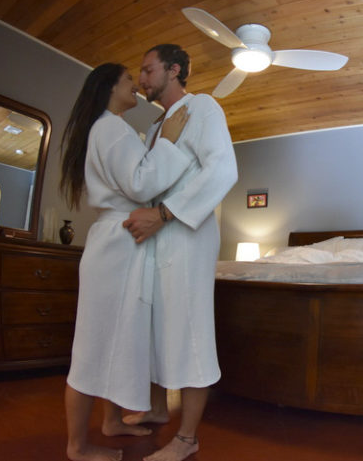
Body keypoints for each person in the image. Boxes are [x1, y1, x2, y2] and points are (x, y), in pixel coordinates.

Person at [60, 62, 192, 461]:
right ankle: (77, 446)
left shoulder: (110, 128)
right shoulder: (111, 129)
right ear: (109, 87)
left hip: (118, 242)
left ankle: (111, 421)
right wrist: (168, 142)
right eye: (128, 80)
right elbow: (140, 184)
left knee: (113, 337)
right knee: (93, 346)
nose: (134, 85)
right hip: (116, 246)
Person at [122, 44, 238, 461]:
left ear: (174, 70)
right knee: (155, 323)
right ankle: (157, 408)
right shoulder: (156, 126)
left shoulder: (202, 107)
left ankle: (187, 439)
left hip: (186, 237)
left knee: (190, 331)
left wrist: (164, 214)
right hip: (156, 239)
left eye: (148, 69)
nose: (142, 79)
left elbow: (222, 169)